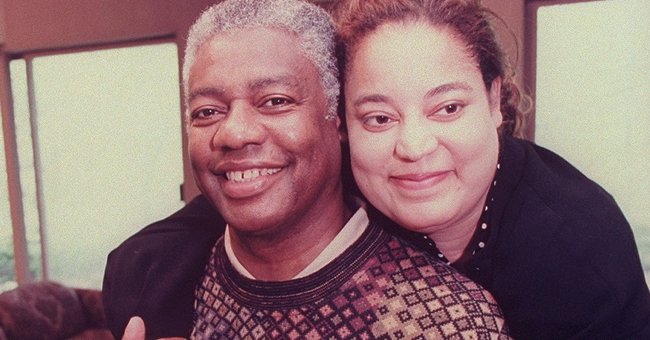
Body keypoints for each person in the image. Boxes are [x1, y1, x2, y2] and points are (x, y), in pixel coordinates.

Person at [103, 0, 510, 338]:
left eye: (275, 101)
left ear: (338, 122)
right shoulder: (158, 294)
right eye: (208, 111)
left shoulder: (448, 321)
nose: (234, 133)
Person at [332, 0, 650, 338]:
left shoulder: (574, 251)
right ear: (343, 127)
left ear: (494, 101)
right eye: (379, 119)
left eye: (448, 108)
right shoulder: (337, 204)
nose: (413, 146)